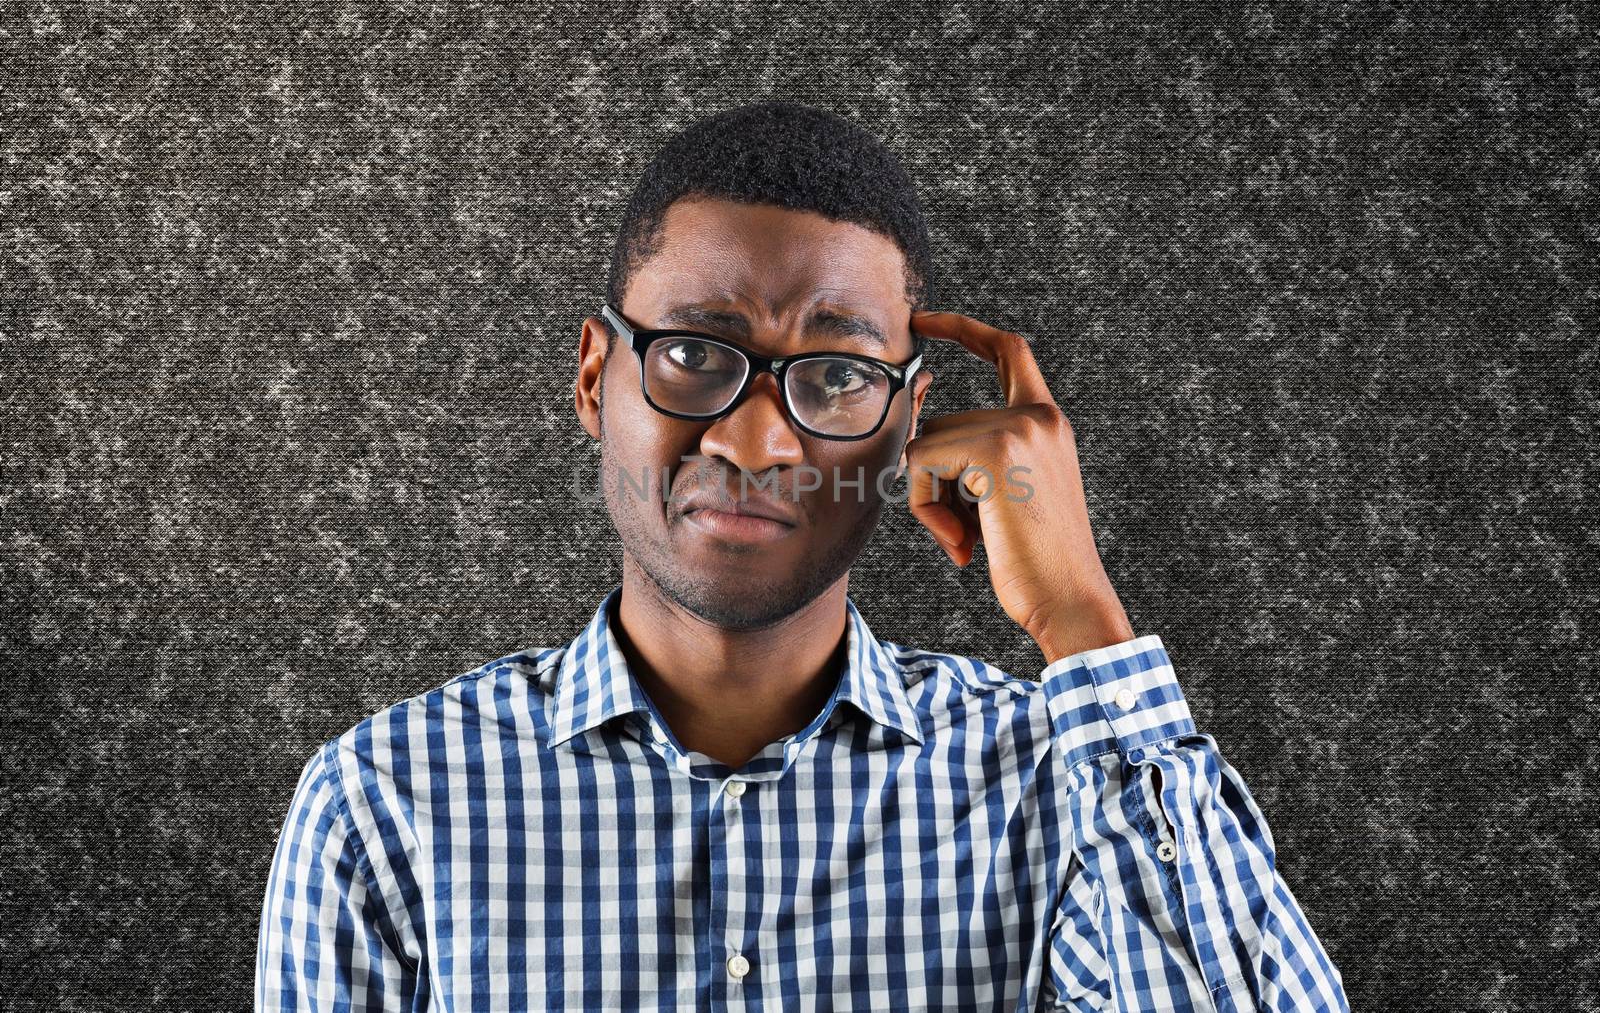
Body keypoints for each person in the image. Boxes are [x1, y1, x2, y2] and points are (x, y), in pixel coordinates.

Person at [256, 100, 1350, 1012]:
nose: (756, 439)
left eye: (834, 375)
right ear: (595, 376)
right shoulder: (385, 803)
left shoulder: (1058, 785)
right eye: (692, 352)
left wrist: (1081, 619)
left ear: (912, 420)